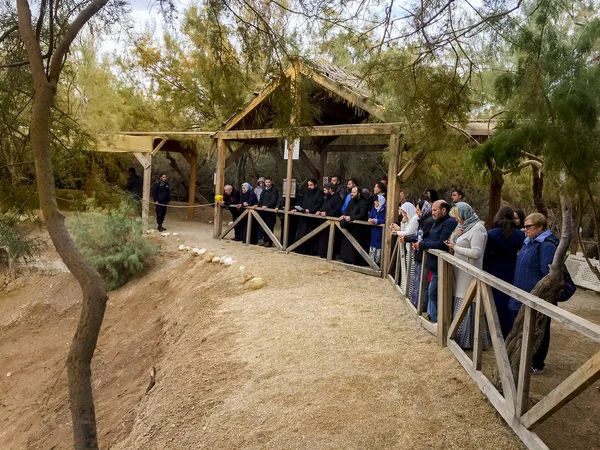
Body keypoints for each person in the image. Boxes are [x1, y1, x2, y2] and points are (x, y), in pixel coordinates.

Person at [509, 213, 557, 374]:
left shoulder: (547, 245)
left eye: (528, 226)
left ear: (540, 227)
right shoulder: (528, 242)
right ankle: (522, 358)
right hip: (522, 293)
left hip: (537, 296)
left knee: (538, 329)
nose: (525, 229)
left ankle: (537, 363)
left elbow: (548, 274)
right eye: (524, 226)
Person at [445, 203, 488, 349]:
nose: (457, 221)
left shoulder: (478, 229)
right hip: (459, 272)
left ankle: (468, 340)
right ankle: (456, 336)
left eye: (458, 218)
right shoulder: (463, 228)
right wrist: (454, 239)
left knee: (467, 299)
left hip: (469, 273)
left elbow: (476, 253)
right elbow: (452, 242)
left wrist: (455, 247)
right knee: (459, 299)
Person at [483, 206, 526, 338]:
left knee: (494, 301)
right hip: (512, 270)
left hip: (494, 270)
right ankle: (508, 330)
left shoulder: (492, 234)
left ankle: (493, 331)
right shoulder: (520, 235)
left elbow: (486, 256)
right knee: (509, 301)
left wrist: (484, 270)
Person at [412, 200, 457, 322]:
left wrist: (422, 244)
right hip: (433, 263)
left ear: (443, 210)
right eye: (432, 210)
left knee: (433, 293)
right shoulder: (436, 222)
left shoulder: (449, 223)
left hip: (441, 265)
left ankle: (439, 320)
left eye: (435, 210)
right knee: (433, 292)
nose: (432, 212)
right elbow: (430, 238)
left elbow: (441, 244)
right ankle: (434, 317)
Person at [403, 200, 435, 308]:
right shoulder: (423, 220)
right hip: (419, 253)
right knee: (417, 280)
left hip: (423, 255)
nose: (417, 212)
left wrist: (417, 243)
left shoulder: (428, 222)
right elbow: (417, 236)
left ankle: (421, 305)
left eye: (418, 209)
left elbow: (421, 237)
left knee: (422, 282)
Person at [291, 179, 324, 254]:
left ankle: (310, 251)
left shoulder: (320, 193)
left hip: (312, 218)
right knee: (301, 233)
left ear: (315, 185)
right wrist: (296, 209)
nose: (309, 187)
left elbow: (319, 204)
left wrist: (310, 210)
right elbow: (300, 202)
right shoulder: (306, 192)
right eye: (308, 185)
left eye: (311, 185)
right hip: (303, 217)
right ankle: (300, 248)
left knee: (311, 235)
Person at [339, 186, 370, 265]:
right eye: (351, 192)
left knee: (355, 247)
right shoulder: (351, 201)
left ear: (359, 193)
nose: (351, 194)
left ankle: (355, 261)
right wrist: (344, 215)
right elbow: (347, 210)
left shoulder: (364, 203)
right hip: (350, 227)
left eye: (354, 192)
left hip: (358, 229)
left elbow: (362, 215)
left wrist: (351, 217)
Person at [315, 183, 344, 258]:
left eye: (325, 190)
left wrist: (327, 213)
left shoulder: (337, 198)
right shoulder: (326, 197)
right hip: (324, 222)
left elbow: (337, 211)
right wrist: (320, 211)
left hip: (332, 222)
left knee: (330, 240)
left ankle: (329, 255)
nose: (324, 192)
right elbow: (323, 206)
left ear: (330, 190)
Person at [255, 177, 279, 247]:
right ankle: (265, 240)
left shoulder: (274, 190)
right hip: (264, 211)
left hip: (270, 211)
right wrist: (257, 205)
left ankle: (269, 241)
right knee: (263, 226)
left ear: (271, 182)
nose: (267, 183)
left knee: (269, 226)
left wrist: (267, 206)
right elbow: (261, 199)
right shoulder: (264, 190)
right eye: (266, 182)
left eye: (269, 182)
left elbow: (273, 200)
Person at [367, 194, 386, 265]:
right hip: (374, 231)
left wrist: (376, 221)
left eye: (376, 201)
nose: (375, 202)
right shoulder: (374, 208)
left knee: (378, 246)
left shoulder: (384, 209)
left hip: (380, 231)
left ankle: (378, 264)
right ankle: (371, 263)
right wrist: (369, 219)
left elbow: (384, 220)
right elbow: (370, 216)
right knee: (373, 245)